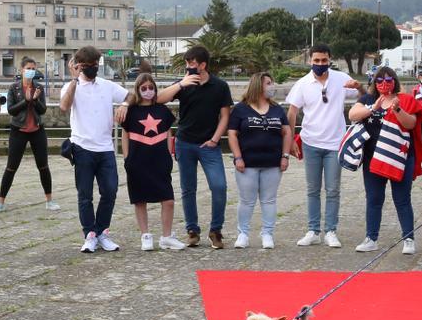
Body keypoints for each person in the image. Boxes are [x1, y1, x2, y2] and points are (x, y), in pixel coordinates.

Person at [154, 45, 233, 248]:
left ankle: (216, 230)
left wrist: (215, 139)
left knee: (219, 186)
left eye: (192, 63)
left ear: (203, 65)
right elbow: (158, 98)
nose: (188, 66)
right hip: (185, 142)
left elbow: (225, 116)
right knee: (188, 189)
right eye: (187, 63)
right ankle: (192, 230)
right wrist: (181, 84)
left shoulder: (220, 86)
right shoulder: (184, 84)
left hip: (209, 144)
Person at [286, 44, 363, 248]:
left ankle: (330, 230)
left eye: (324, 60)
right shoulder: (302, 84)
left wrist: (360, 87)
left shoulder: (340, 78)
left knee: (333, 190)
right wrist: (291, 140)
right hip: (310, 142)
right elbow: (292, 112)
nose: (320, 64)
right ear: (310, 61)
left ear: (330, 60)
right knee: (312, 189)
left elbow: (362, 97)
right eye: (316, 60)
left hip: (335, 143)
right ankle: (313, 230)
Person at [348, 67, 422, 254]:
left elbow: (411, 124)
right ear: (374, 82)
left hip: (400, 158)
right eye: (380, 79)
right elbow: (352, 115)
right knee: (374, 199)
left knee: (402, 199)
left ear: (395, 81)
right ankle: (371, 238)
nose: (384, 82)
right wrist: (373, 108)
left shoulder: (405, 100)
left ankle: (408, 239)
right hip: (373, 159)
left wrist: (397, 109)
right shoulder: (367, 100)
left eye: (388, 79)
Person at [61, 45, 129, 253]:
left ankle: (102, 231)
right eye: (88, 65)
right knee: (85, 195)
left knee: (110, 191)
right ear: (79, 66)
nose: (92, 69)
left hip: (106, 148)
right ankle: (89, 234)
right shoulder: (71, 87)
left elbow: (130, 95)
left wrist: (124, 105)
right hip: (82, 147)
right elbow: (64, 106)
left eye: (95, 65)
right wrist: (74, 80)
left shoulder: (107, 86)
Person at [226, 73, 293, 250]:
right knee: (246, 200)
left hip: (272, 163)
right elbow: (232, 134)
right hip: (247, 163)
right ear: (258, 85)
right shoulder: (241, 109)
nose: (272, 86)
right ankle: (243, 234)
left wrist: (285, 156)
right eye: (268, 83)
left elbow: (287, 133)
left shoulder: (277, 109)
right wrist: (238, 157)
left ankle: (267, 233)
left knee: (269, 200)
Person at [120, 73, 182, 251]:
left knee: (168, 199)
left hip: (160, 160)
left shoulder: (162, 110)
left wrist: (170, 154)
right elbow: (125, 134)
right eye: (144, 88)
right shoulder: (131, 111)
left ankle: (167, 236)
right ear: (138, 90)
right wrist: (126, 157)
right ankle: (145, 235)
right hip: (137, 161)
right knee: (140, 199)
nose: (148, 91)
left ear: (155, 89)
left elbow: (169, 133)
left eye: (151, 88)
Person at [0, 57, 59, 213]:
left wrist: (34, 100)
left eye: (33, 68)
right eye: (28, 68)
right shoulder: (14, 88)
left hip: (37, 130)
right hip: (18, 131)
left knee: (43, 166)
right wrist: (26, 100)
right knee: (11, 167)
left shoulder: (39, 87)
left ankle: (49, 200)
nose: (31, 71)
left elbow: (42, 110)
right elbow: (11, 110)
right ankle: (0, 202)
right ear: (21, 70)